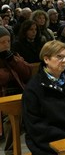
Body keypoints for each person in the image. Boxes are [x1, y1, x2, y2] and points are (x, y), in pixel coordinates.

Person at [0, 26, 32, 155]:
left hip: (19, 93)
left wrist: (13, 61)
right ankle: (10, 150)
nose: (6, 45)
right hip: (3, 96)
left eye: (8, 41)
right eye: (2, 42)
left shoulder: (12, 56)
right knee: (10, 120)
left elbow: (27, 73)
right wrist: (11, 73)